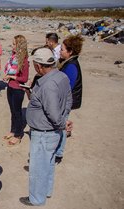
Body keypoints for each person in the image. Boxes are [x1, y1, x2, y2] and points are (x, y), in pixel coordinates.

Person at [20, 48, 73, 206]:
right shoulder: (61, 76)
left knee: (38, 168)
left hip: (44, 133)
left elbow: (53, 113)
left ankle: (36, 199)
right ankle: (46, 191)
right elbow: (69, 100)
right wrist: (64, 119)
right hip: (51, 132)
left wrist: (63, 123)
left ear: (38, 66)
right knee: (48, 163)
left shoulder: (48, 85)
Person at [55, 34, 84, 163]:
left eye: (62, 49)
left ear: (70, 51)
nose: (60, 51)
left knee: (62, 126)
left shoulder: (71, 66)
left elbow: (67, 88)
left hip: (66, 102)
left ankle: (59, 154)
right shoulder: (66, 63)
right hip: (64, 101)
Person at [2, 35, 29, 145]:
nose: (12, 46)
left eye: (14, 44)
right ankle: (13, 131)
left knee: (17, 112)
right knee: (12, 111)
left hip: (18, 89)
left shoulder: (24, 61)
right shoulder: (13, 58)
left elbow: (24, 79)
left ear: (19, 46)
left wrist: (12, 77)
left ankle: (18, 134)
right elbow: (9, 70)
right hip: (10, 86)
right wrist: (8, 75)